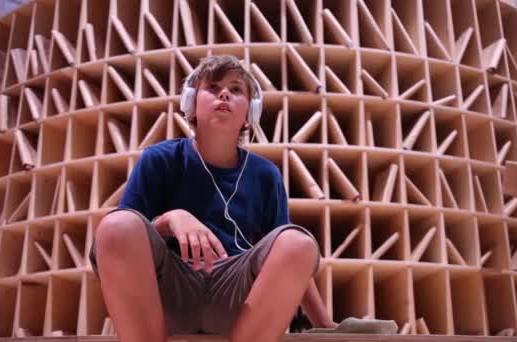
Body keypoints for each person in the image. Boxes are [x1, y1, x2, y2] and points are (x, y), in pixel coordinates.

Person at [90, 55, 337, 342]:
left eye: (235, 90)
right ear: (190, 105)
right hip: (168, 292)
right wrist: (170, 219)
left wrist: (326, 325)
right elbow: (123, 247)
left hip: (237, 299)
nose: (224, 94)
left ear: (250, 113)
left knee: (298, 241)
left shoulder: (266, 175)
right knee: (118, 225)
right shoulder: (161, 160)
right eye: (212, 87)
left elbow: (293, 262)